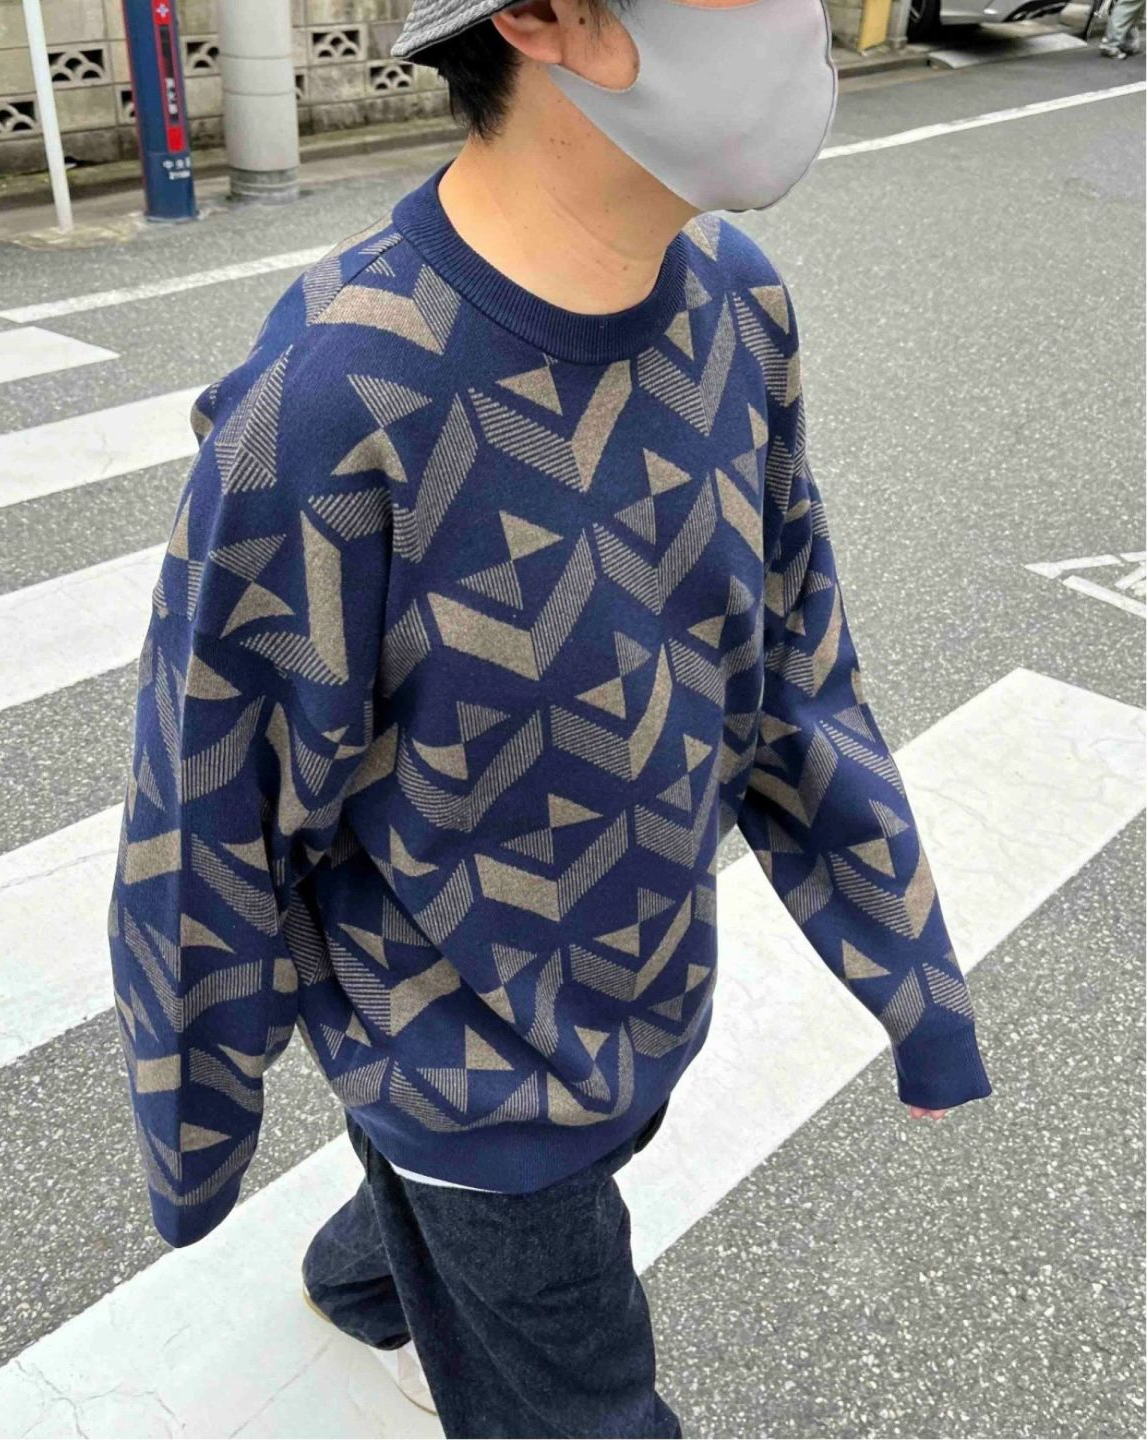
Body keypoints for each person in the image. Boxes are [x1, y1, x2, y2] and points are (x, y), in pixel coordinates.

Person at [106, 0, 995, 1433]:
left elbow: (797, 666)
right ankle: (430, 1220)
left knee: (516, 1197)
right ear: (545, 18)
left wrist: (915, 981)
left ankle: (370, 1271)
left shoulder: (738, 303)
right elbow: (206, 813)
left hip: (645, 990)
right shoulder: (331, 405)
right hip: (468, 1077)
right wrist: (194, 1132)